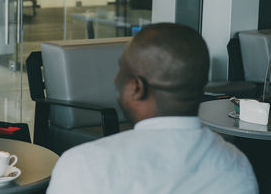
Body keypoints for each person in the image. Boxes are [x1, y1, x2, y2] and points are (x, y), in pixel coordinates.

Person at [47, 23, 258, 194]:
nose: (115, 79)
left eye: (121, 70)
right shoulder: (236, 166)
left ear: (136, 87)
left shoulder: (85, 165)